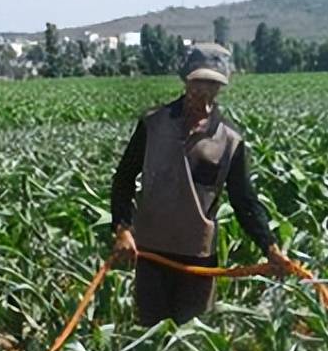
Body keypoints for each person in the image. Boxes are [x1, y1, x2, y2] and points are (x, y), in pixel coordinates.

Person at [109, 42, 291, 328]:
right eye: (198, 82)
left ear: (221, 88)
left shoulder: (230, 140)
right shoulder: (153, 124)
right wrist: (122, 229)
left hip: (198, 257)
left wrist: (270, 246)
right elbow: (123, 179)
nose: (203, 91)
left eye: (212, 84)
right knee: (152, 336)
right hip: (152, 252)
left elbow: (244, 200)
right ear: (186, 80)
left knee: (190, 342)